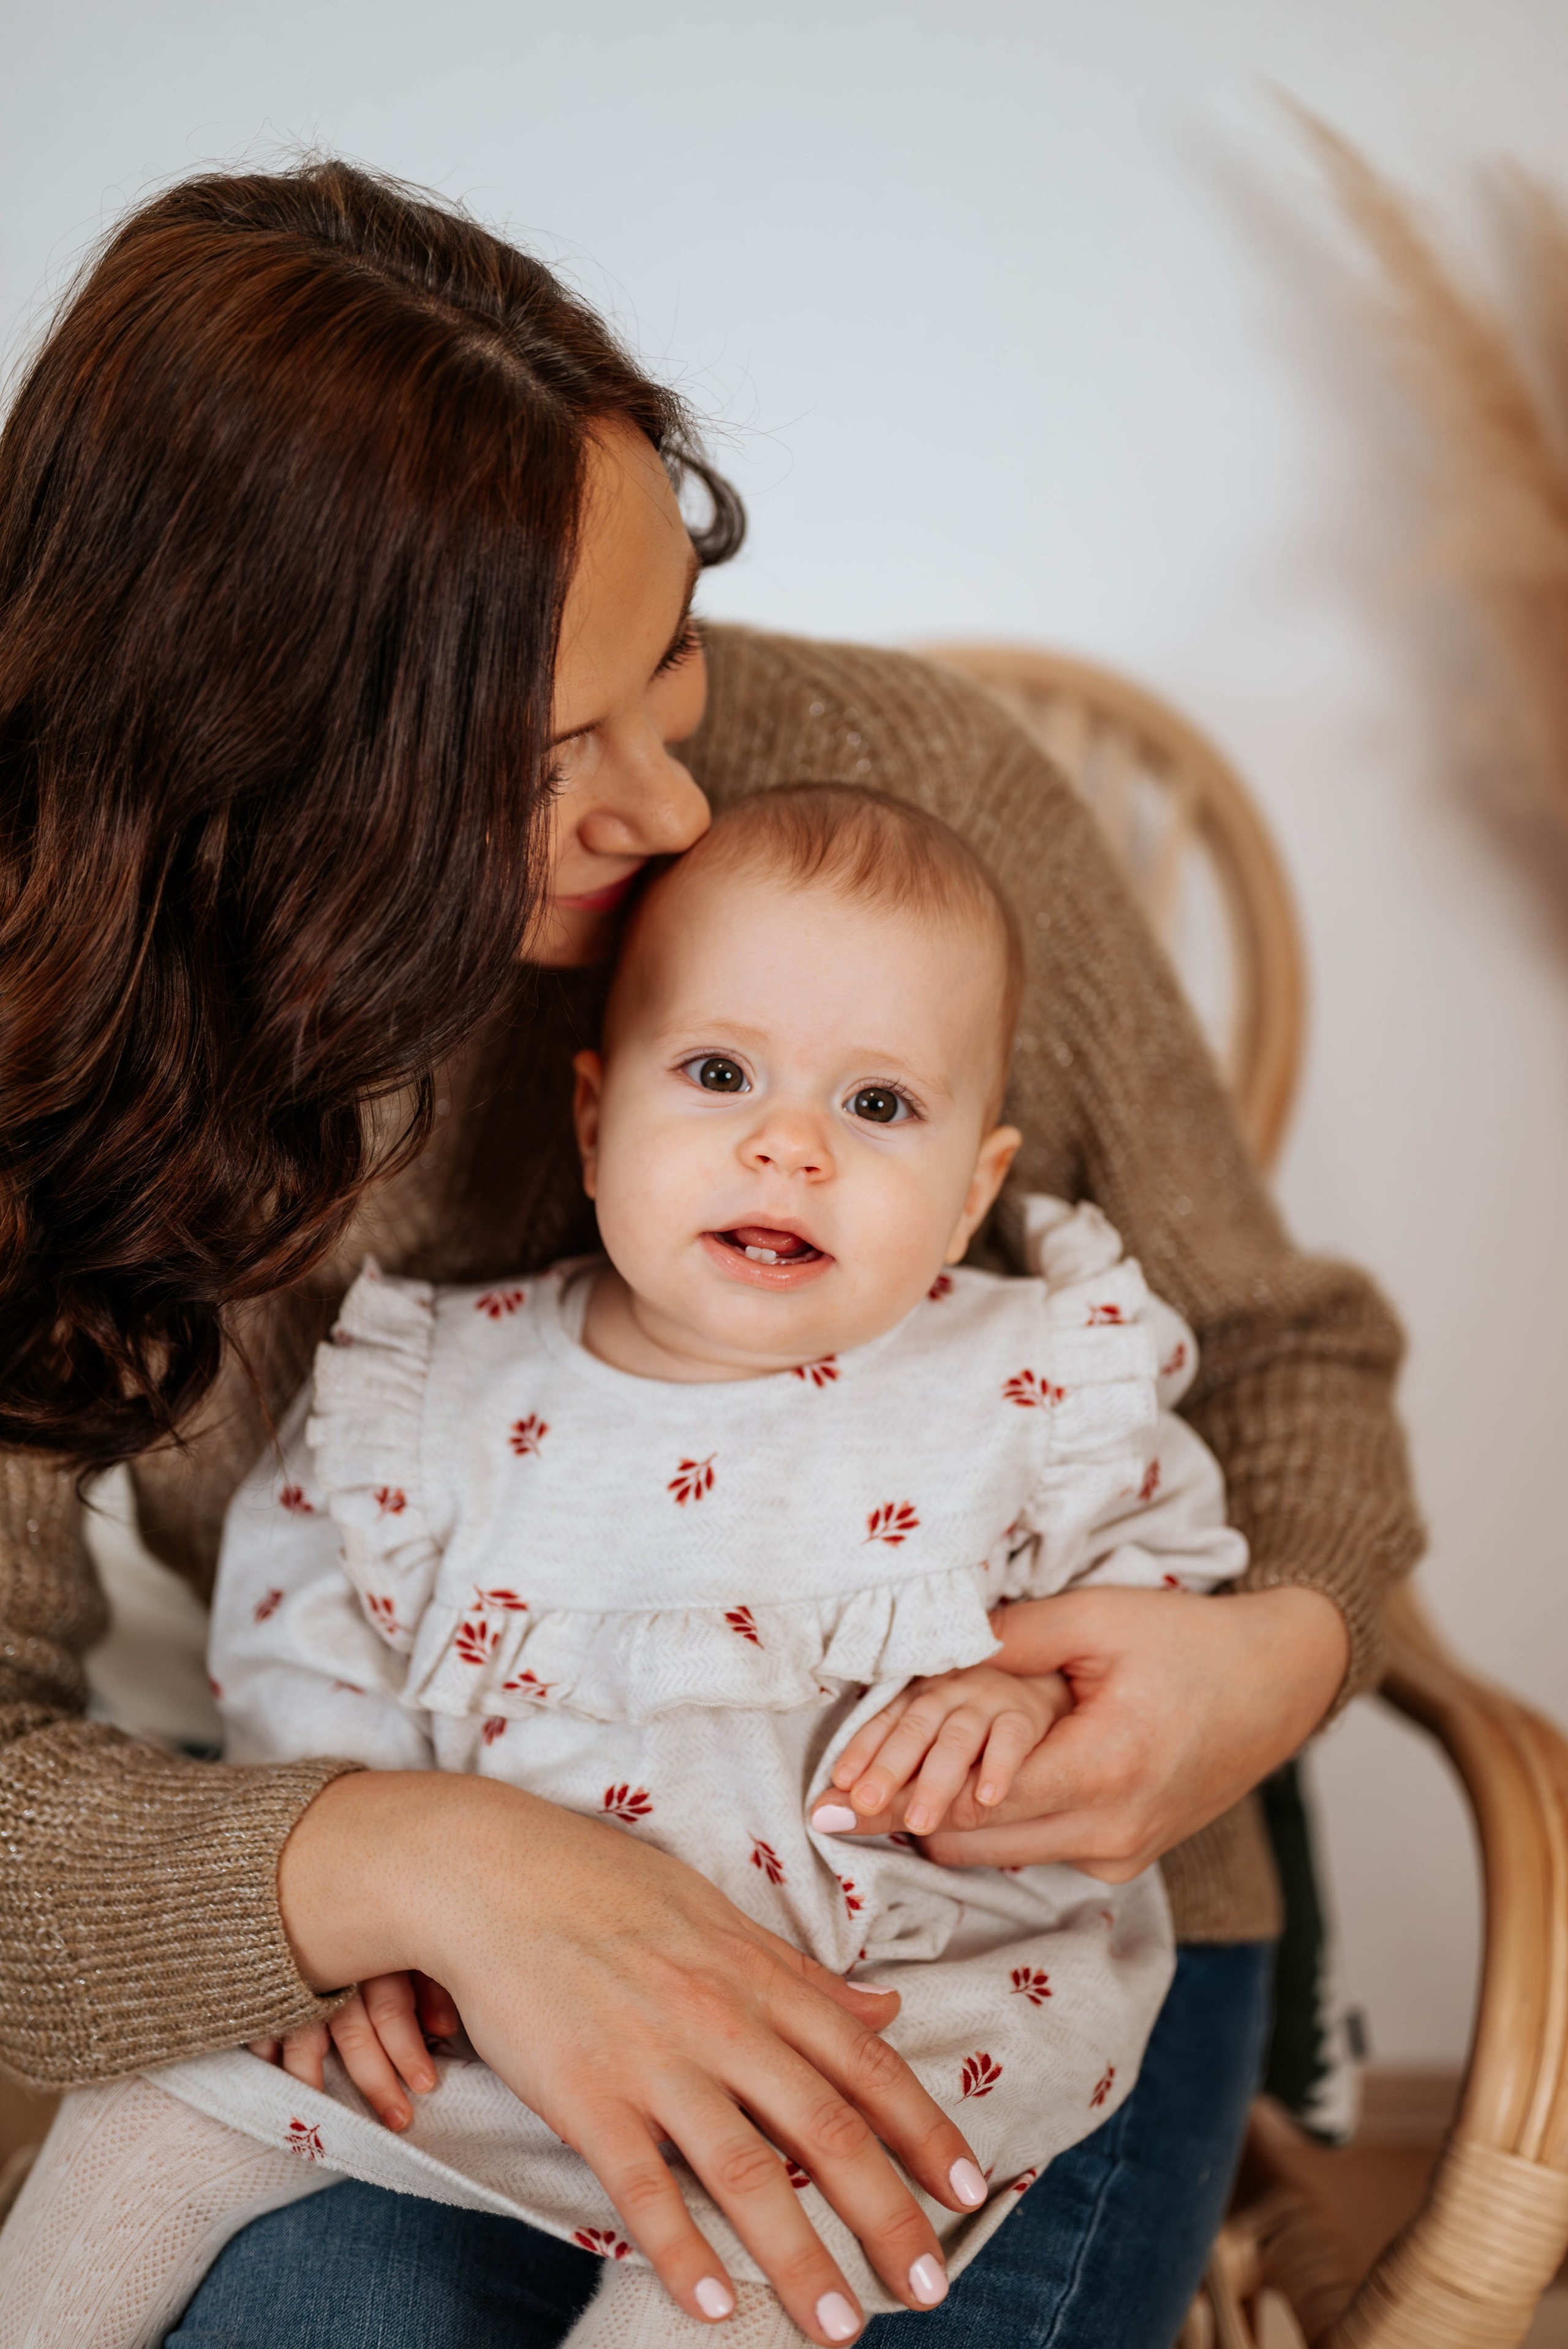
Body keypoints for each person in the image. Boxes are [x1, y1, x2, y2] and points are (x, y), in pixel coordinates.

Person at [0, 157, 1420, 2349]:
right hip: (426, 1938)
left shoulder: (901, 792)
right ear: (252, 765)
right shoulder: (48, 1017)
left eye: (669, 658)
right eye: (544, 756)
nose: (670, 810)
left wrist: (1278, 1653)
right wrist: (385, 1864)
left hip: (962, 1961)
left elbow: (1274, 1360)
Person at [153, 785, 1245, 2339]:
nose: (787, 1144)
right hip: (488, 2003)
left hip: (875, 2026)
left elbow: (1157, 1603)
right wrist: (358, 1907)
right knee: (150, 2122)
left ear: (974, 1190)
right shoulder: (433, 1392)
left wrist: (1022, 1691)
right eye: (721, 1072)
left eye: (877, 1107)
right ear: (595, 1122)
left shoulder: (1030, 1386)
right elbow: (299, 1636)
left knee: (734, 2287)